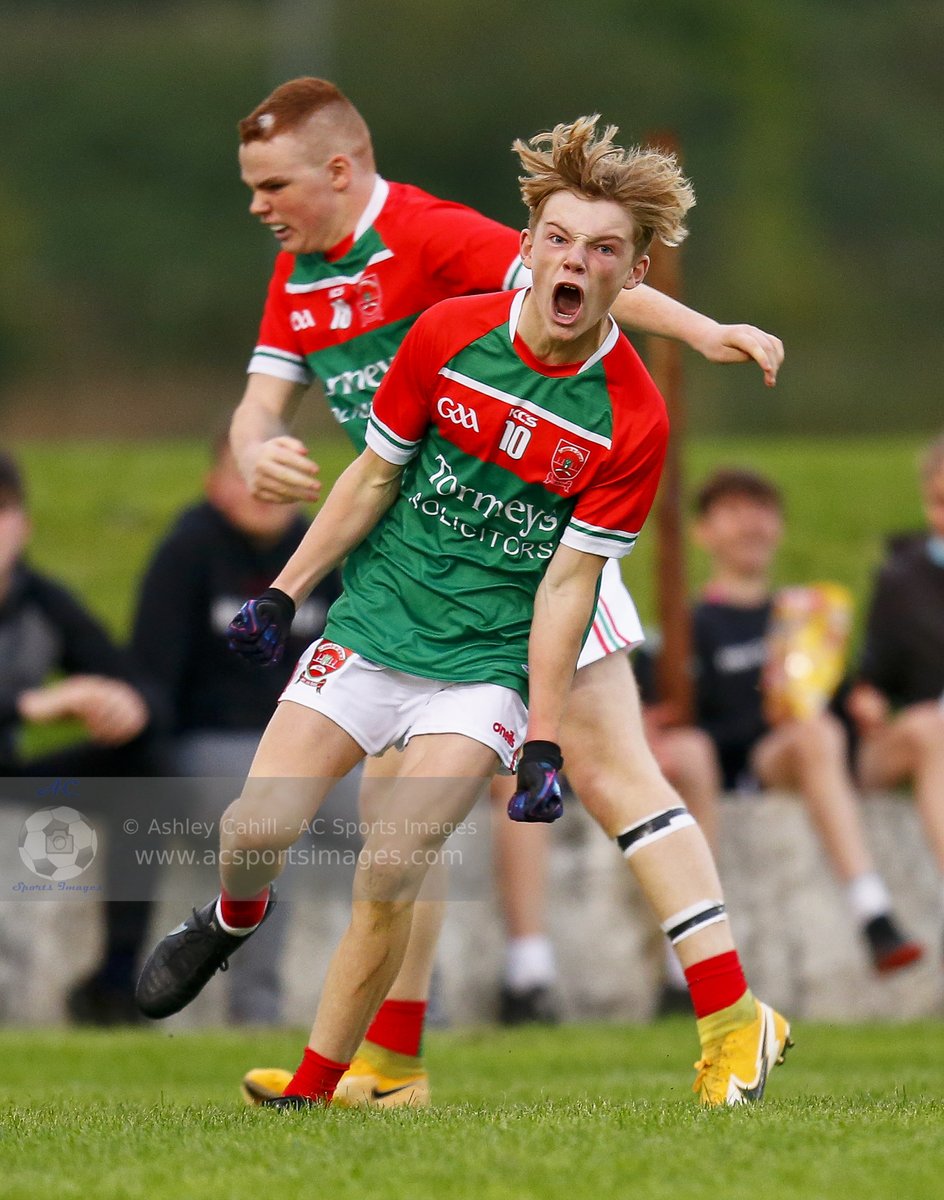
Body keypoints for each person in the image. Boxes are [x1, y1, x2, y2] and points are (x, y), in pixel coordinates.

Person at [136, 113, 791, 1109]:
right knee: (393, 830)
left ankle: (731, 1011)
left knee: (614, 778)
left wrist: (705, 333)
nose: (258, 206)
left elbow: (588, 274)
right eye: (251, 185)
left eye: (273, 185)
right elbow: (265, 402)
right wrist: (252, 445)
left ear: (337, 170)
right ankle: (391, 1064)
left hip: (524, 563)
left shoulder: (436, 238)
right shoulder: (304, 275)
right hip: (415, 560)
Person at [644, 466, 922, 1011]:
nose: (751, 523)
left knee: (818, 730)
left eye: (762, 509)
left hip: (805, 756)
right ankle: (685, 964)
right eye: (733, 511)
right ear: (704, 532)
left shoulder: (804, 618)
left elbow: (831, 707)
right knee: (731, 745)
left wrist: (863, 709)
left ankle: (873, 912)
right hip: (736, 766)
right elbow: (677, 725)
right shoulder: (689, 627)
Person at [129, 435, 343, 1023]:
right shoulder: (188, 551)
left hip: (315, 745)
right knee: (273, 826)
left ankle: (418, 1014)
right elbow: (151, 677)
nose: (267, 493)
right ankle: (257, 1012)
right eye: (253, 474)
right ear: (217, 482)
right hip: (212, 747)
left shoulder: (323, 553)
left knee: (405, 820)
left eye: (286, 478)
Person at [0, 450, 163, 1024]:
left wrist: (126, 705)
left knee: (145, 769)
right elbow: (38, 704)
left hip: (12, 780)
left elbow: (131, 678)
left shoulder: (41, 601)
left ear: (24, 524)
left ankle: (116, 985)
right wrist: (31, 704)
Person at [847, 435, 944, 939]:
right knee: (932, 730)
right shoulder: (901, 580)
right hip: (917, 739)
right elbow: (872, 682)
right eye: (941, 502)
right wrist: (870, 703)